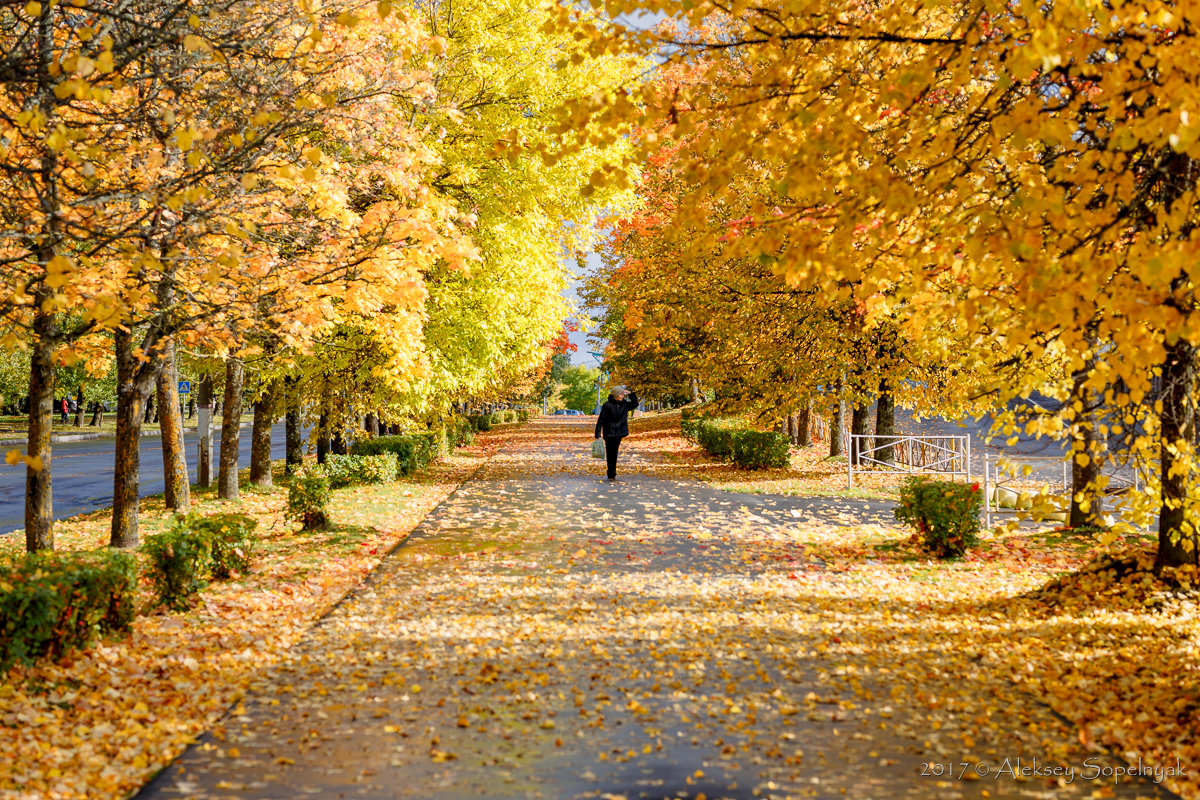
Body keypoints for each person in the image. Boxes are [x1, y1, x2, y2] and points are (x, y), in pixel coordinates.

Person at [594, 386, 639, 481]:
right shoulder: (607, 405)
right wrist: (597, 434)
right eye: (621, 394)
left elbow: (635, 404)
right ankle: (611, 472)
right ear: (615, 395)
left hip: (619, 433)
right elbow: (600, 420)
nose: (622, 396)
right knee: (610, 453)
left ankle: (612, 471)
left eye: (623, 394)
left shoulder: (625, 404)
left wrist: (630, 394)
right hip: (608, 433)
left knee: (615, 452)